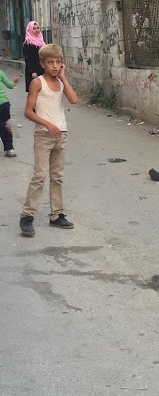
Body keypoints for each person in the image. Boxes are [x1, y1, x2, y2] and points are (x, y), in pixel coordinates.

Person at [19, 44, 79, 237]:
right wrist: (47, 124)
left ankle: (56, 215)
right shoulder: (38, 83)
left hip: (61, 134)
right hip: (44, 136)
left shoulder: (60, 82)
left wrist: (63, 77)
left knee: (58, 176)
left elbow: (73, 99)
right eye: (50, 62)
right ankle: (27, 216)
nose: (54, 66)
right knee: (39, 176)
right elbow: (28, 111)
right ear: (42, 64)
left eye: (58, 62)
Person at [0, 69, 21, 157]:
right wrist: (14, 81)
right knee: (5, 126)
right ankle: (9, 149)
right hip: (4, 103)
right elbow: (10, 85)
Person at [23, 21, 45, 92]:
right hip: (33, 70)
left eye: (38, 28)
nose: (37, 30)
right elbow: (28, 59)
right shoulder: (28, 43)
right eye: (34, 28)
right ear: (30, 30)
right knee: (34, 91)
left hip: (41, 69)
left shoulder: (41, 41)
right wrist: (33, 72)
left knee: (43, 91)